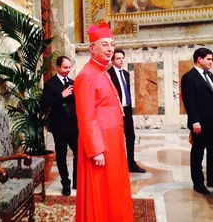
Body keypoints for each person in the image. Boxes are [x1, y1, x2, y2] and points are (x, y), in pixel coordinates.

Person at [74, 22, 134, 221]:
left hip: (112, 142)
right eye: (105, 44)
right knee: (99, 190)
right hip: (100, 146)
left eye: (112, 44)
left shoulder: (102, 72)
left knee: (113, 187)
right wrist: (96, 149)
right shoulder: (86, 76)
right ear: (92, 48)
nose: (110, 49)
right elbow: (86, 116)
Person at [42, 56, 78, 196]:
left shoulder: (73, 83)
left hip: (73, 126)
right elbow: (44, 103)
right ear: (58, 67)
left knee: (79, 152)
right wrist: (61, 95)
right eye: (65, 67)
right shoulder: (50, 84)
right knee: (61, 156)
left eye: (69, 67)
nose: (67, 70)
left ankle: (76, 180)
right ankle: (66, 183)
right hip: (59, 127)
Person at [108, 49, 146, 173]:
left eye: (122, 58)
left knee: (131, 136)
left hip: (127, 110)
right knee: (115, 139)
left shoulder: (126, 73)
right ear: (112, 60)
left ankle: (131, 163)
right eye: (118, 58)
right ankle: (116, 164)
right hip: (114, 111)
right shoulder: (108, 75)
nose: (121, 60)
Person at [181, 47, 213, 195]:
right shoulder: (189, 77)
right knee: (198, 153)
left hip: (212, 122)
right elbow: (189, 101)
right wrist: (195, 121)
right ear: (199, 59)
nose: (211, 62)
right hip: (200, 123)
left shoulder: (210, 75)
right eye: (209, 59)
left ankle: (211, 179)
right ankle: (198, 183)